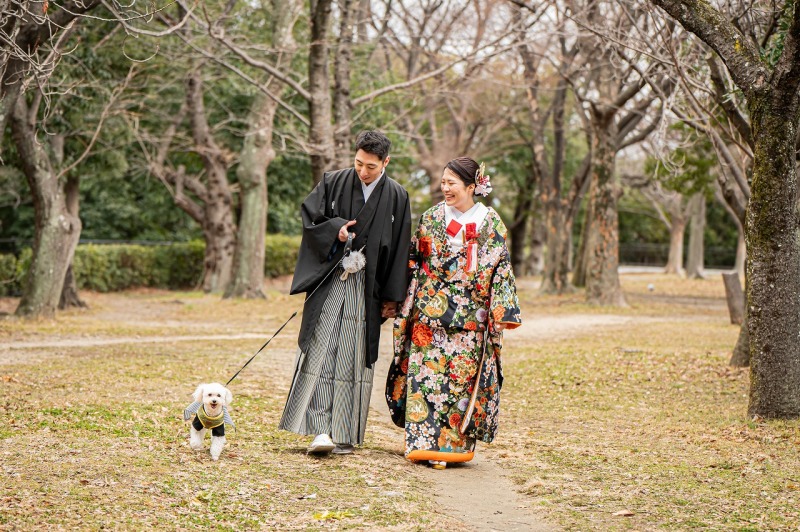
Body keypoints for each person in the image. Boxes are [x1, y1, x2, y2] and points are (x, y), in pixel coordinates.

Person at [279, 130, 411, 455]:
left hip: (368, 288)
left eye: (371, 166)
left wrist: (393, 298)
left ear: (386, 162)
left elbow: (399, 250)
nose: (363, 172)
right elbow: (311, 219)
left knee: (352, 357)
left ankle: (344, 432)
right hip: (331, 279)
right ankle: (320, 430)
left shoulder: (397, 196)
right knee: (322, 349)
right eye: (358, 163)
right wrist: (335, 229)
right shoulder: (333, 181)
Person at [386, 156, 521, 469]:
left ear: (472, 186)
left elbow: (501, 268)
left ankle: (451, 446)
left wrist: (502, 309)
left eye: (452, 183)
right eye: (443, 182)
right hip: (428, 315)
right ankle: (420, 443)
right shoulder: (432, 217)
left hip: (470, 318)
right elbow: (413, 261)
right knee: (425, 377)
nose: (445, 188)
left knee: (458, 382)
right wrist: (398, 298)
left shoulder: (491, 222)